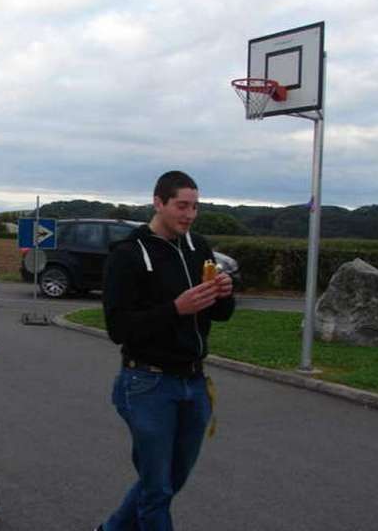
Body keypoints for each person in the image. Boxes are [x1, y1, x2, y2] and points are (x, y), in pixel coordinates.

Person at [95, 170, 235, 531]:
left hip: (193, 383)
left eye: (195, 207)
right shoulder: (127, 255)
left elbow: (220, 314)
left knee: (168, 483)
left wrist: (223, 293)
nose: (189, 215)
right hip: (147, 384)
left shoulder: (198, 247)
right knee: (156, 490)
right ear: (158, 202)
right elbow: (118, 328)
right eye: (181, 206)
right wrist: (176, 308)